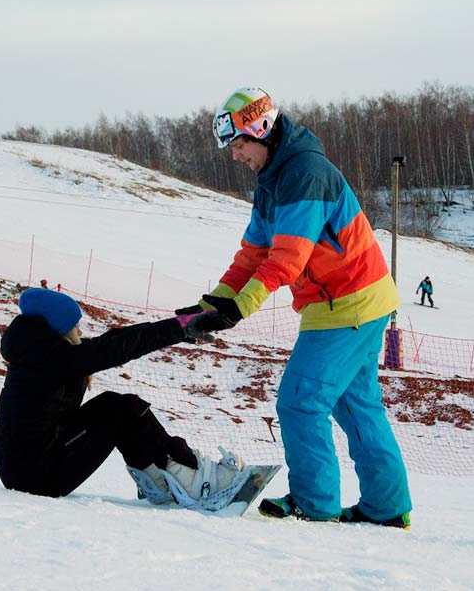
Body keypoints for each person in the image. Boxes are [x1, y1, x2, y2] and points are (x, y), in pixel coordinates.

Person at [176, 87, 412, 528]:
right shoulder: (273, 182)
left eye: (239, 144)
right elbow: (252, 255)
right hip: (350, 302)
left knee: (300, 402)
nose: (235, 155)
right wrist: (210, 304)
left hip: (348, 304)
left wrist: (237, 310)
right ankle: (387, 508)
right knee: (357, 407)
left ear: (260, 130)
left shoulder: (305, 174)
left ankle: (315, 503)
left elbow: (287, 259)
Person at [0, 287, 247, 510]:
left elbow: (112, 340)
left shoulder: (39, 353)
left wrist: (178, 328)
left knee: (117, 407)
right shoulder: (50, 358)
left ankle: (160, 482)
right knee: (119, 409)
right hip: (35, 475)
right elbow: (115, 349)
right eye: (74, 324)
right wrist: (178, 328)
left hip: (26, 468)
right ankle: (191, 481)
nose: (80, 329)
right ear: (58, 329)